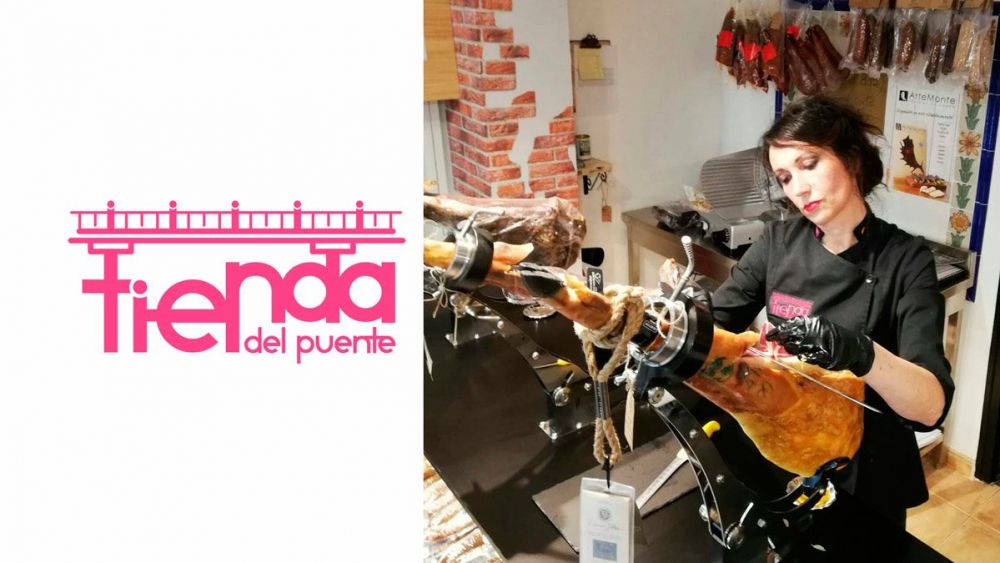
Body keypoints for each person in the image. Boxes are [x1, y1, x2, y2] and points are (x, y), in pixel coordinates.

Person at [710, 96, 954, 536]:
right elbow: (715, 321)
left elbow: (930, 407)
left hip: (866, 472)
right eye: (785, 177)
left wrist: (860, 352)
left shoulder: (905, 261)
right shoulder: (777, 242)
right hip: (780, 452)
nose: (798, 189)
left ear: (852, 159)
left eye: (810, 164)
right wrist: (666, 318)